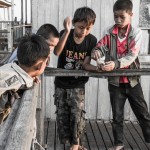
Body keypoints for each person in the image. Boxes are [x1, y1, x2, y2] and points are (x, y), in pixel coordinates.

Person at [91, 0, 150, 150]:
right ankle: (118, 144)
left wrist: (115, 64)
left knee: (143, 113)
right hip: (115, 82)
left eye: (122, 17)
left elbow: (132, 55)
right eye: (115, 17)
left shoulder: (136, 33)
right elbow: (100, 47)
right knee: (117, 116)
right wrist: (96, 51)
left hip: (133, 81)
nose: (118, 20)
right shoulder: (108, 31)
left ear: (131, 15)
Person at [53, 7, 98, 150]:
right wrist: (66, 32)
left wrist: (99, 68)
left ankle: (76, 143)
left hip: (78, 84)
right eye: (80, 27)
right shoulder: (65, 34)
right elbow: (56, 52)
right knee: (62, 114)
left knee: (77, 115)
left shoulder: (91, 40)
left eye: (88, 28)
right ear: (74, 23)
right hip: (61, 83)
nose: (83, 31)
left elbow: (86, 64)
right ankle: (67, 143)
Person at [0, 34, 50, 124]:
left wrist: (31, 79)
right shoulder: (14, 81)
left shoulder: (10, 66)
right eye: (46, 62)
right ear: (40, 65)